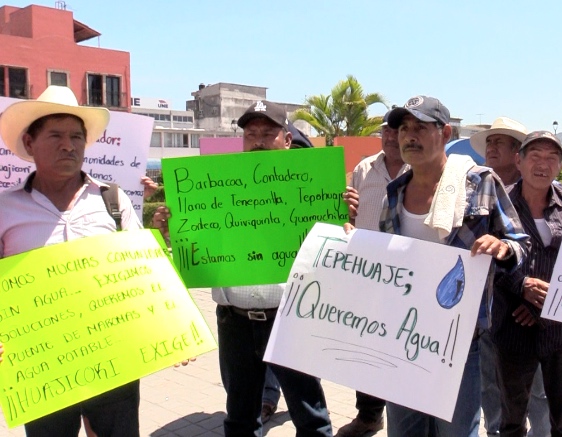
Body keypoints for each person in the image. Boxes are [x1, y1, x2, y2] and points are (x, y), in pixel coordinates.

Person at [153, 100, 333, 437]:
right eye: (251, 134)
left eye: (269, 133)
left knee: (311, 417)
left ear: (287, 141)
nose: (259, 141)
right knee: (239, 418)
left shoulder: (312, 190)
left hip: (290, 317)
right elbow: (201, 250)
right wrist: (172, 233)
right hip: (234, 321)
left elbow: (335, 254)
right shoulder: (217, 188)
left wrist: (343, 218)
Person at [374, 95, 528, 437]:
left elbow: (521, 243)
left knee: (457, 432)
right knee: (404, 431)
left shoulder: (480, 182)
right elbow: (384, 263)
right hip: (401, 336)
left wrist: (502, 247)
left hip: (458, 341)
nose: (410, 136)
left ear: (444, 133)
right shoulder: (393, 194)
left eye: (420, 128)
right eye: (404, 129)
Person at [0, 85, 142, 436]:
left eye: (77, 136)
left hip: (114, 357)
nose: (69, 145)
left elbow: (143, 271)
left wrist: (175, 327)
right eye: (56, 136)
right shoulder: (5, 210)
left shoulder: (113, 200)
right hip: (40, 364)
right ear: (29, 143)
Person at [492, 130, 562, 437]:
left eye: (551, 158)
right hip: (513, 327)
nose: (543, 164)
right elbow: (486, 257)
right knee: (512, 421)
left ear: (560, 166)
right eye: (535, 156)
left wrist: (544, 305)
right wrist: (522, 288)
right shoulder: (498, 205)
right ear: (519, 161)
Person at [470, 117, 549, 436]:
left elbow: (550, 255)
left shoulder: (544, 196)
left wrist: (533, 298)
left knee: (539, 396)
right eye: (489, 142)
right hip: (493, 315)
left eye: (499, 142)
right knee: (491, 392)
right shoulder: (474, 195)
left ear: (517, 154)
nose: (491, 148)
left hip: (536, 316)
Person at [336, 110, 409, 437]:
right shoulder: (364, 169)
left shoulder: (422, 168)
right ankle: (368, 416)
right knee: (365, 348)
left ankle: (406, 419)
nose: (392, 138)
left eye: (398, 131)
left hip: (408, 276)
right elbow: (349, 215)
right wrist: (346, 215)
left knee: (404, 347)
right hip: (366, 274)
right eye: (386, 132)